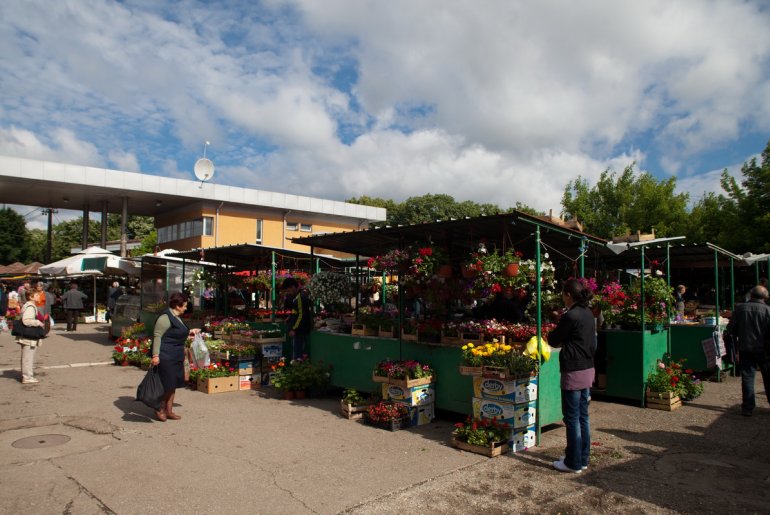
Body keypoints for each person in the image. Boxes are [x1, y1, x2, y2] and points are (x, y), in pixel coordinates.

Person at [546, 278, 596, 473]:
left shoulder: (571, 316)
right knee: (583, 416)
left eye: (562, 294)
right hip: (587, 369)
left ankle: (572, 462)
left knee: (572, 418)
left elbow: (554, 339)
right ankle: (581, 458)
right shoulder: (588, 313)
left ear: (568, 295)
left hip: (573, 371)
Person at [151, 291, 198, 422]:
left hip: (177, 354)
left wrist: (191, 332)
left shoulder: (176, 317)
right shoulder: (165, 317)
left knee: (174, 384)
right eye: (184, 305)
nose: (186, 307)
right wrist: (155, 355)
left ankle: (169, 410)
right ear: (178, 306)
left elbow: (177, 332)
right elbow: (157, 336)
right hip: (166, 355)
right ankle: (158, 407)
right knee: (167, 384)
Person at [726, 285, 770, 417]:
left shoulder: (740, 309)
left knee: (747, 378)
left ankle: (748, 408)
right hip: (765, 350)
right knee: (768, 378)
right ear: (765, 297)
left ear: (751, 295)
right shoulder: (768, 311)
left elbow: (731, 329)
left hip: (746, 348)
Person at [15, 288, 46, 384]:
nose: (39, 296)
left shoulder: (30, 306)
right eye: (36, 295)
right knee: (28, 357)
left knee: (28, 356)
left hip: (27, 336)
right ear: (31, 297)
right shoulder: (30, 307)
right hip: (28, 336)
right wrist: (38, 322)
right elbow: (26, 320)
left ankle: (27, 375)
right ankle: (27, 376)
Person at [281, 277, 312, 359]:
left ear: (293, 287)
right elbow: (297, 313)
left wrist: (294, 329)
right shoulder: (298, 297)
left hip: (300, 331)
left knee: (297, 355)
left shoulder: (300, 297)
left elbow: (302, 315)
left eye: (288, 290)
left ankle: (296, 369)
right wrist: (290, 317)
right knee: (297, 353)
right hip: (299, 330)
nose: (289, 293)